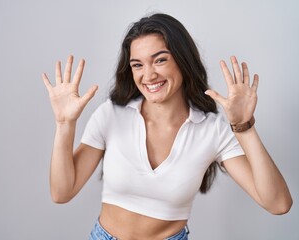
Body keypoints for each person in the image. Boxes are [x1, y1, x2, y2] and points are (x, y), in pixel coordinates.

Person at [42, 13, 292, 240]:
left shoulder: (212, 130)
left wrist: (244, 127)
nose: (148, 75)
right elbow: (62, 193)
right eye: (137, 65)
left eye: (159, 60)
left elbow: (278, 204)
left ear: (183, 61)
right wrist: (65, 124)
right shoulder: (112, 114)